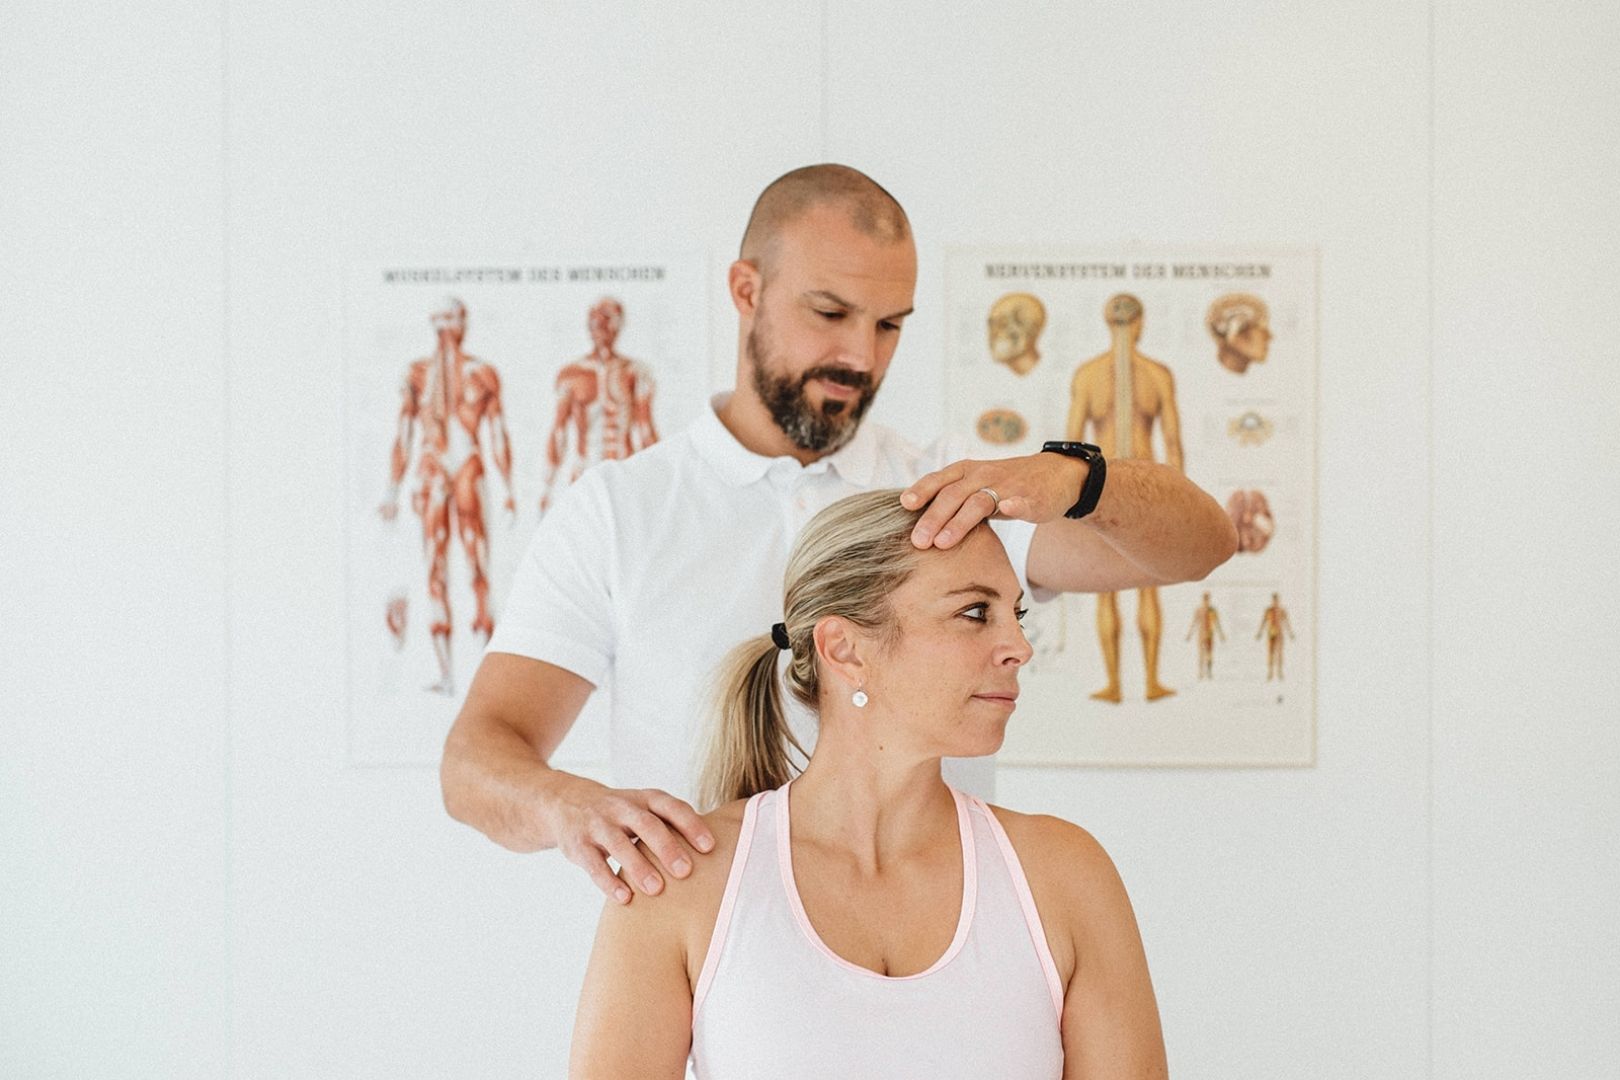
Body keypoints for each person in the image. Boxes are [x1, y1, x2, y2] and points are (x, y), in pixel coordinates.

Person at [440, 164, 1236, 907]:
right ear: (746, 289)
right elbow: (476, 760)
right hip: (704, 966)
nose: (862, 354)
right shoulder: (620, 510)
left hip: (939, 945)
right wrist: (570, 807)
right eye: (830, 314)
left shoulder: (956, 500)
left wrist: (1074, 477)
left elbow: (1203, 545)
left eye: (890, 324)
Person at [570, 491, 1168, 1078]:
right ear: (845, 648)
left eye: (1017, 614)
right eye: (975, 613)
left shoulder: (1066, 876)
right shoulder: (680, 879)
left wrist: (1076, 476)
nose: (1018, 647)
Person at [379, 296, 515, 695]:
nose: (447, 330)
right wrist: (391, 487)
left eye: (452, 320)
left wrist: (508, 488)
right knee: (434, 567)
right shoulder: (418, 374)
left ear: (463, 323)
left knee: (478, 566)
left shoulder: (482, 374)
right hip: (432, 469)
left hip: (468, 467)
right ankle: (448, 675)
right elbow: (403, 433)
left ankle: (483, 685)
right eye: (440, 321)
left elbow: (498, 432)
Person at [1065, 293, 1184, 703]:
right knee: (1144, 587)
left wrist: (1070, 499)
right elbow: (1172, 444)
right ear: (1141, 324)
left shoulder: (1087, 376)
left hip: (1101, 489)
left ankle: (1120, 683)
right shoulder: (1157, 375)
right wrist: (1179, 500)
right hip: (1145, 488)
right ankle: (1145, 681)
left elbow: (1070, 446)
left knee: (1108, 589)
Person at [538, 296, 659, 514]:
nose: (600, 326)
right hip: (585, 472)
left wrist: (660, 482)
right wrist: (547, 487)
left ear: (619, 325)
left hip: (625, 472)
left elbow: (646, 430)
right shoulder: (572, 375)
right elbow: (559, 432)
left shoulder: (636, 372)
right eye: (595, 319)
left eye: (607, 319)